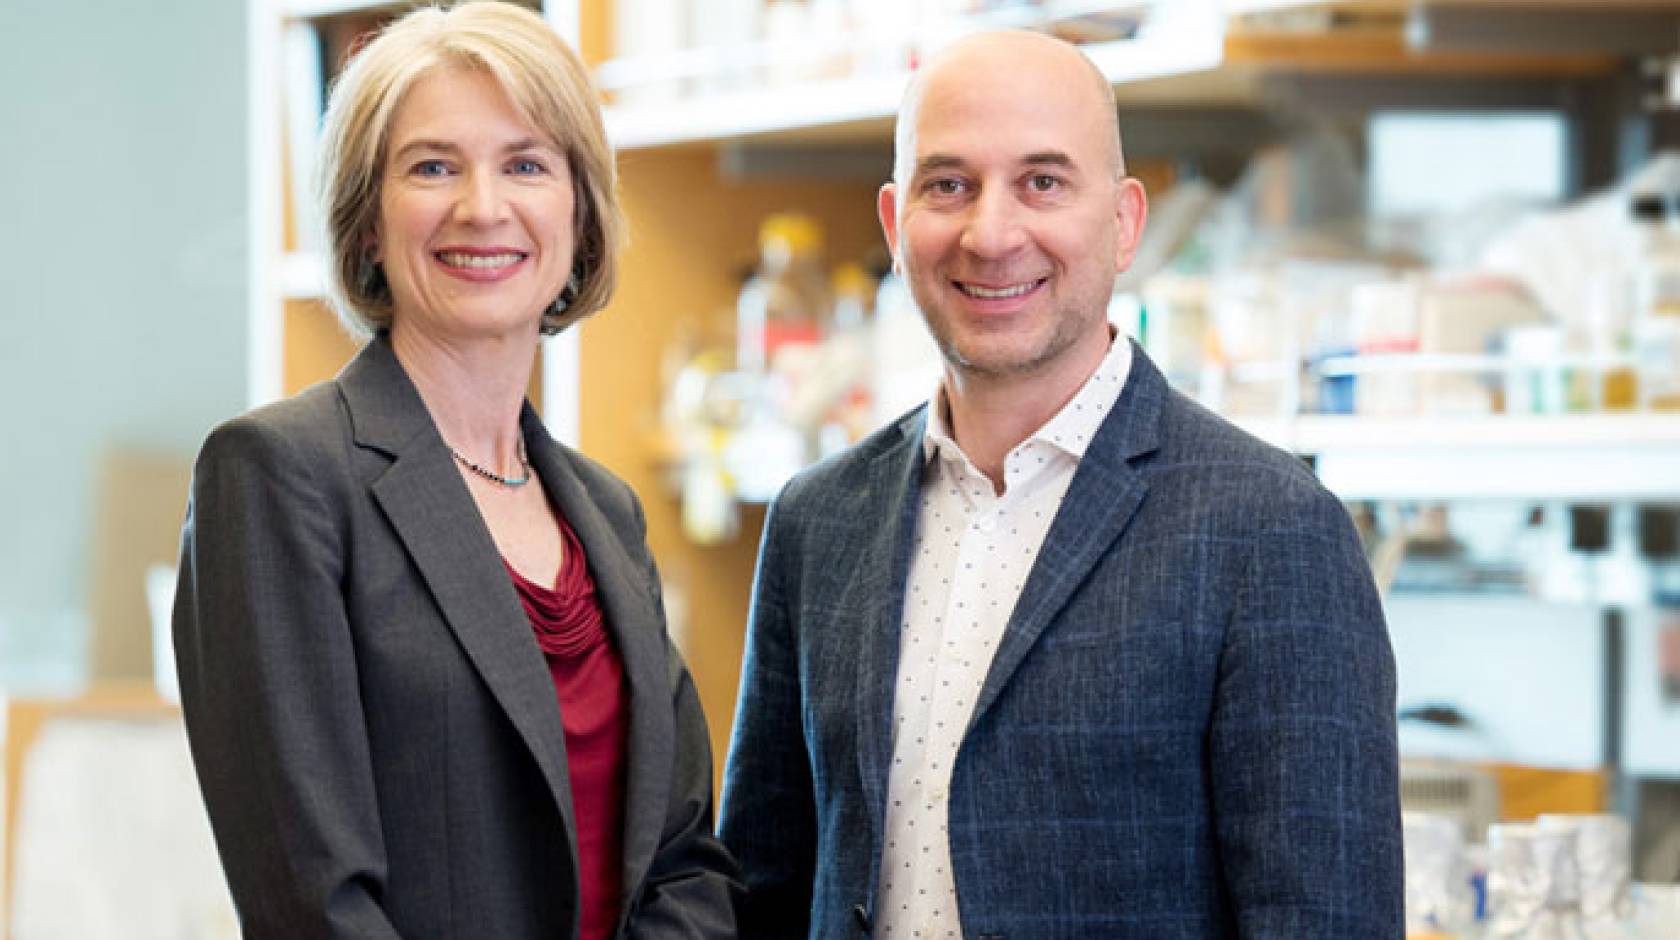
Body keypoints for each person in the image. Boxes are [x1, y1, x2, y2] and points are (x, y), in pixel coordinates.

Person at [719, 29, 1403, 939]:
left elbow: (1327, 922)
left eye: (1043, 182)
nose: (991, 233)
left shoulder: (1270, 531)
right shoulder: (818, 520)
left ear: (1123, 223)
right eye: (948, 185)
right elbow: (761, 890)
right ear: (895, 223)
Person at [172, 5, 738, 938]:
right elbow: (315, 906)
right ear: (365, 222)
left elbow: (682, 860)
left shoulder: (604, 511)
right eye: (433, 166)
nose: (484, 207)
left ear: (578, 213)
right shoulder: (278, 478)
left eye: (526, 164)